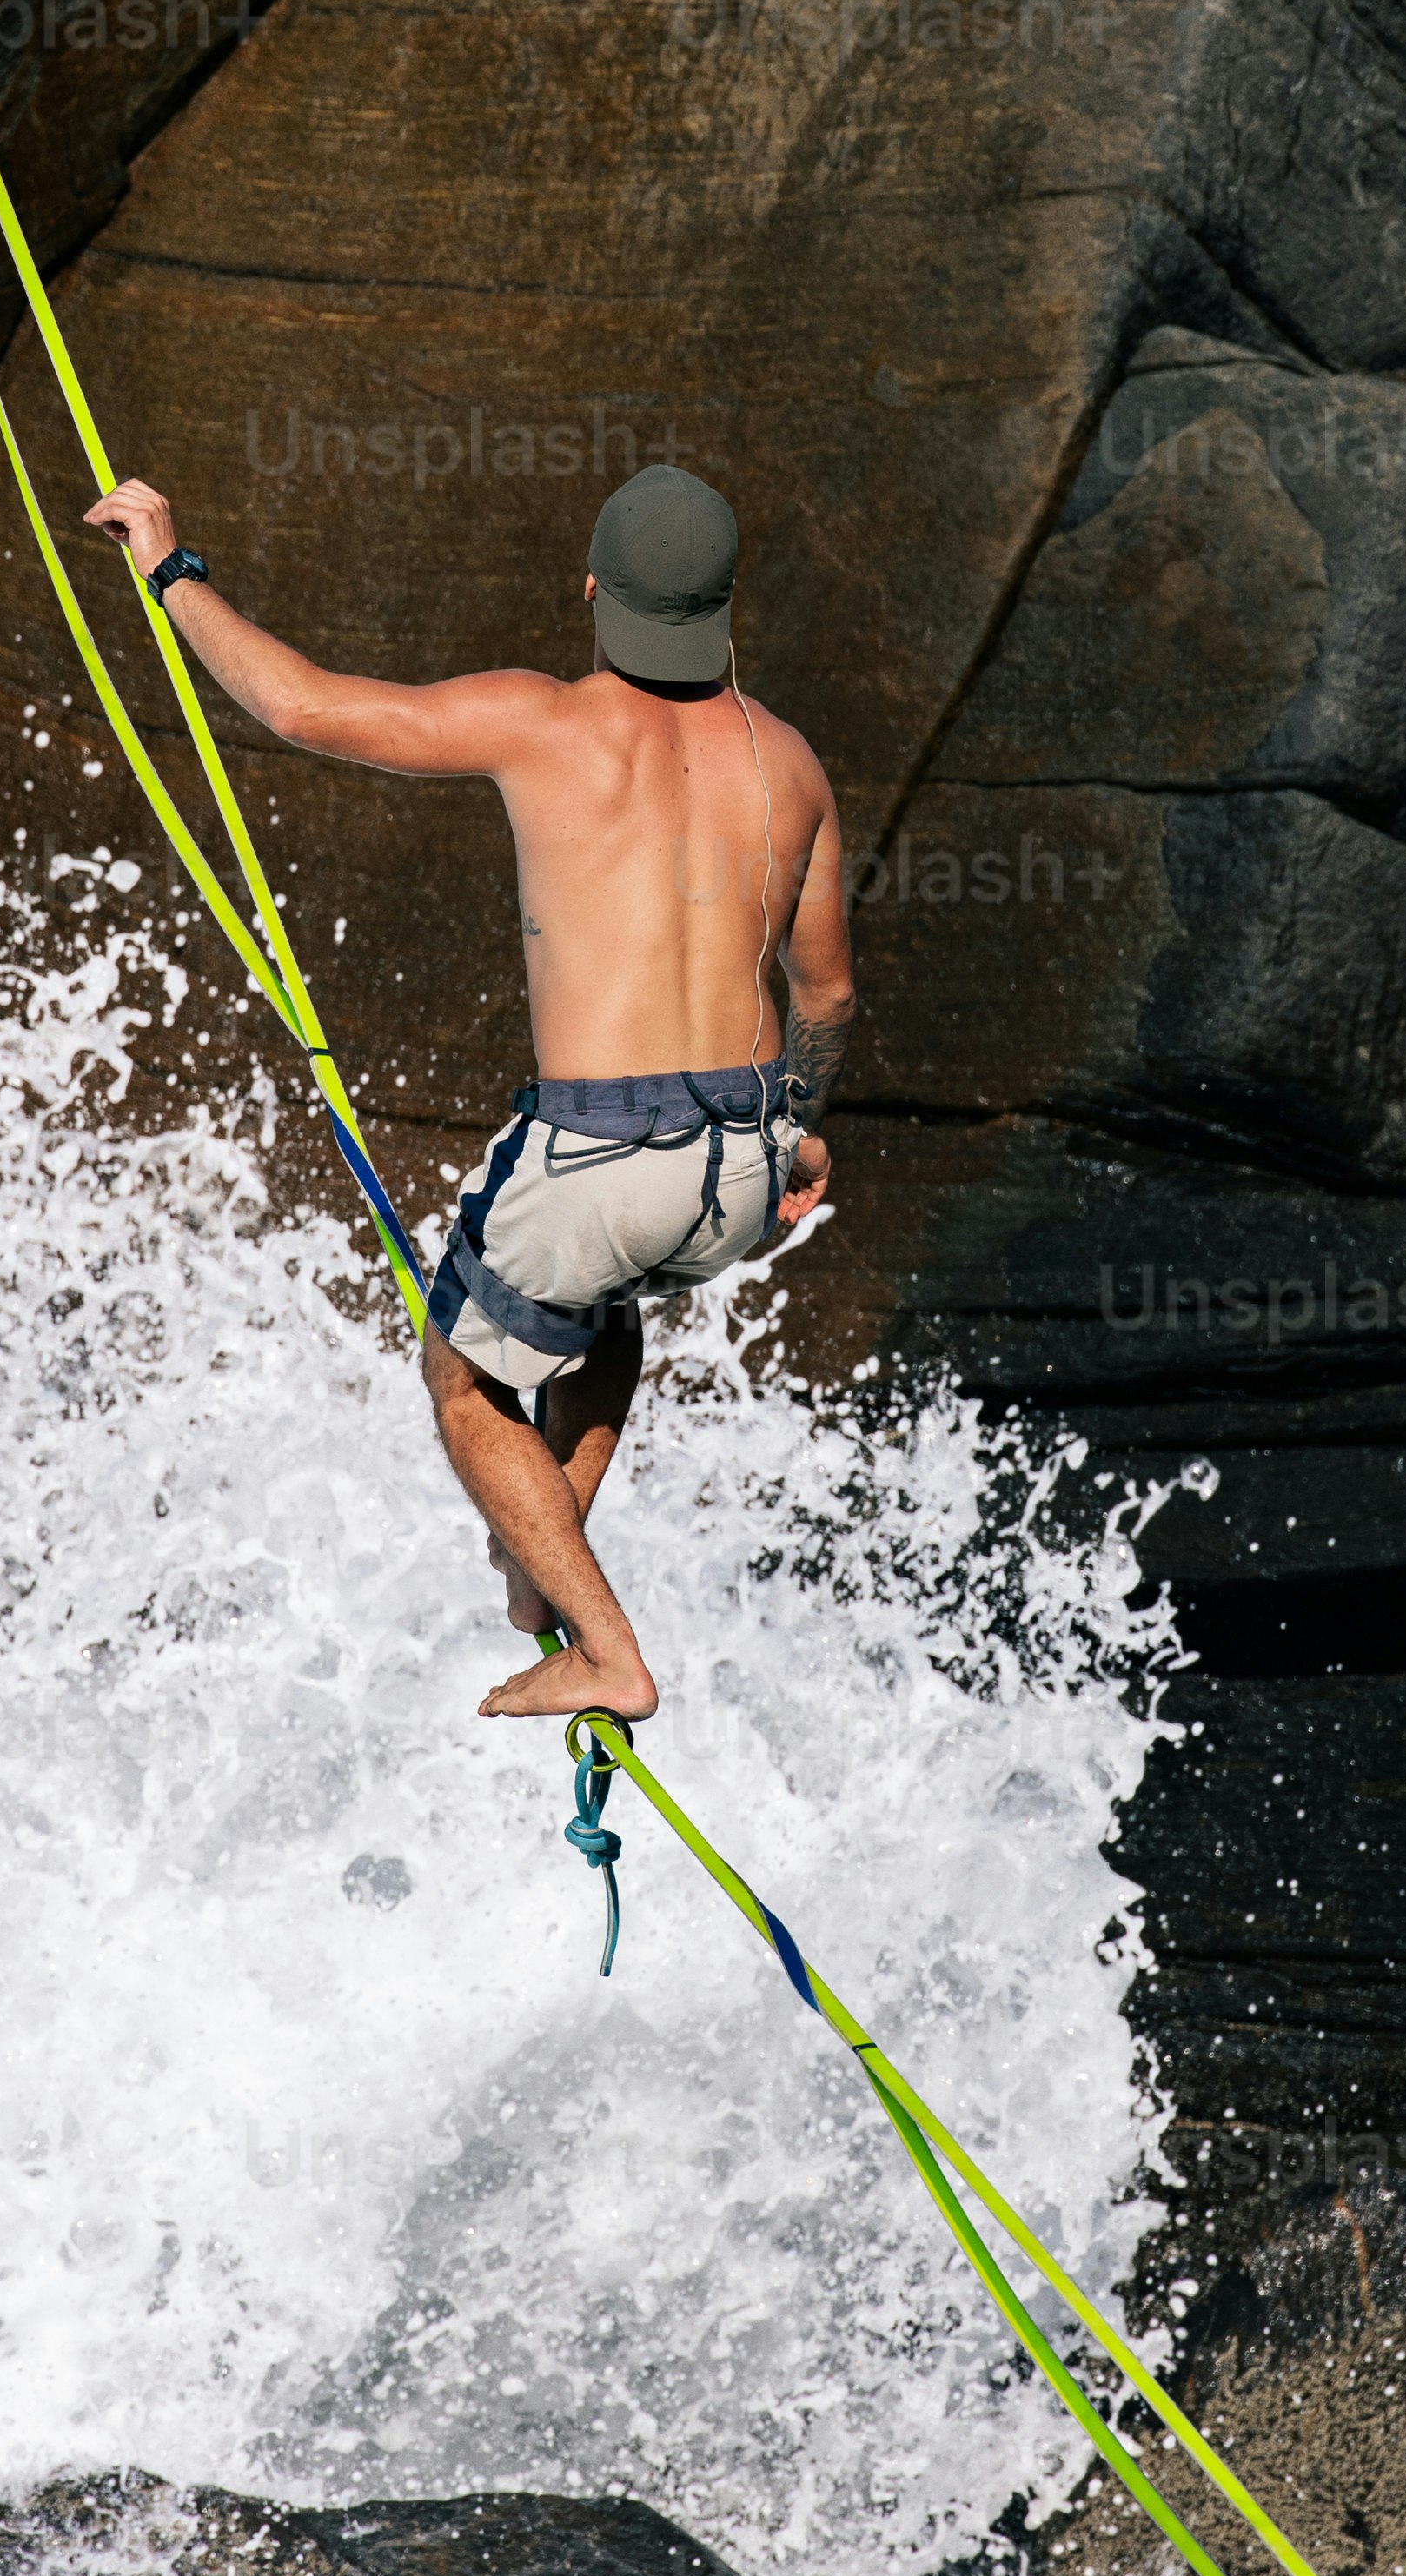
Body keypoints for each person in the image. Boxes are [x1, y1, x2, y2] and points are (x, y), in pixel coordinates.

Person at [77, 461, 853, 1726]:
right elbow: (826, 1000)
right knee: (606, 1307)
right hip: (741, 1163)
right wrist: (797, 1130)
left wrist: (169, 567)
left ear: (593, 588)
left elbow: (303, 705)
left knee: (462, 1375)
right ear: (725, 610)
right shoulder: (795, 763)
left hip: (607, 1155)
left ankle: (603, 1644)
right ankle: (542, 1552)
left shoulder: (543, 718)